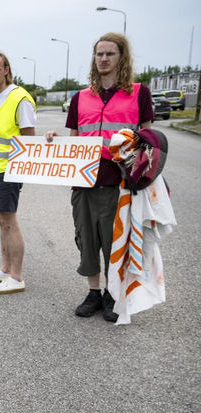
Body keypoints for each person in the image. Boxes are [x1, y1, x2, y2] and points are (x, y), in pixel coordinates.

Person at [45, 33, 153, 322]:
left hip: (117, 182)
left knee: (114, 240)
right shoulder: (80, 97)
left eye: (110, 54)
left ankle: (113, 293)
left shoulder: (139, 93)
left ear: (122, 58)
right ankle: (94, 291)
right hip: (83, 181)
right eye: (99, 54)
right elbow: (74, 138)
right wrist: (54, 141)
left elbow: (149, 139)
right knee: (86, 240)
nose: (103, 59)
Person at [0, 51, 36, 294]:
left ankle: (17, 276)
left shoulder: (20, 98)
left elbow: (30, 137)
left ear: (7, 70)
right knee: (0, 219)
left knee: (9, 222)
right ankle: (5, 269)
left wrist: (22, 170)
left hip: (9, 170)